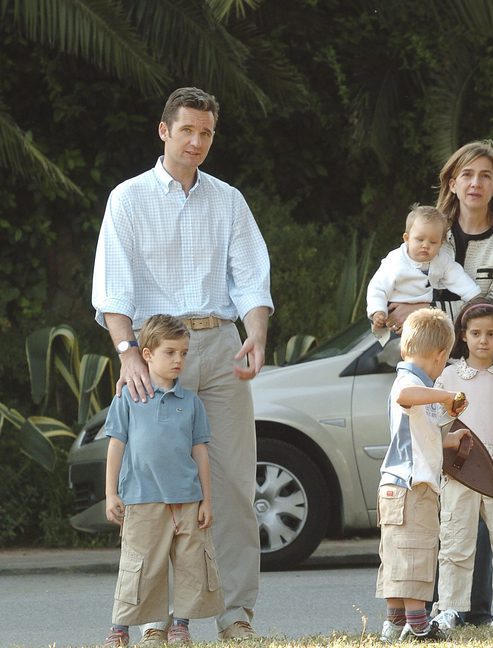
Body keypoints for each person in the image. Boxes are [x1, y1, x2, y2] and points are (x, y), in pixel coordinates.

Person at [92, 87, 273, 640]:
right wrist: (128, 355)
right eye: (187, 130)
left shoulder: (229, 199)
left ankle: (236, 615)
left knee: (235, 487)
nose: (197, 142)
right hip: (152, 353)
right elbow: (112, 289)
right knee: (152, 492)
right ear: (164, 130)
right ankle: (154, 621)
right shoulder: (127, 199)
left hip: (218, 348)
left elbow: (251, 279)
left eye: (207, 133)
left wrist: (257, 334)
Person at [388, 140, 493, 625]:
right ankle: (433, 608)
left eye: (486, 176)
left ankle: (489, 607)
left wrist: (421, 311)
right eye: (467, 174)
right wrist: (405, 313)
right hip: (433, 375)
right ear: (452, 181)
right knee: (440, 496)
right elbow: (391, 305)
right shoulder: (431, 233)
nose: (476, 183)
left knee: (487, 488)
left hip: (485, 373)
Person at [103, 315, 224, 647]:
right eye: (170, 352)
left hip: (186, 500)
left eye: (184, 353)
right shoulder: (128, 398)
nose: (178, 360)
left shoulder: (192, 403)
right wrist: (110, 493)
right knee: (138, 567)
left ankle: (180, 626)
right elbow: (116, 445)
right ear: (147, 354)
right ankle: (119, 629)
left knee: (189, 566)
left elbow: (200, 453)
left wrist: (207, 501)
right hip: (141, 498)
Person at [431, 298, 493, 630]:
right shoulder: (449, 377)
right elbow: (435, 422)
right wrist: (447, 458)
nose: (483, 340)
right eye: (476, 333)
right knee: (456, 538)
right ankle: (449, 606)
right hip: (461, 470)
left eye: (491, 333)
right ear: (463, 335)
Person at [376, 308, 472, 642]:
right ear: (440, 355)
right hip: (410, 485)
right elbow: (405, 396)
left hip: (403, 485)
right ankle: (418, 625)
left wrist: (451, 439)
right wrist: (446, 396)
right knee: (415, 552)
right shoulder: (409, 383)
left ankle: (395, 620)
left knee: (399, 553)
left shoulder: (420, 387)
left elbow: (424, 434)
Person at [366, 204, 480, 338]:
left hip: (426, 313)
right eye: (420, 240)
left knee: (430, 344)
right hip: (396, 310)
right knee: (401, 346)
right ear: (406, 238)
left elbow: (457, 277)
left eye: (433, 242)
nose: (425, 245)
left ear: (441, 244)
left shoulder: (441, 260)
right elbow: (377, 287)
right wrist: (378, 311)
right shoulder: (395, 261)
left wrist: (474, 296)